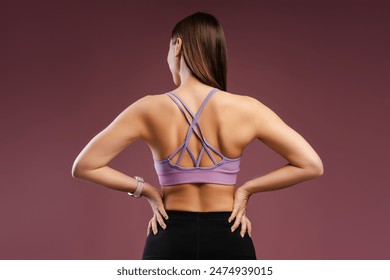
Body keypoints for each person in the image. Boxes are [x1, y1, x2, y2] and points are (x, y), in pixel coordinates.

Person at [71, 11, 323, 260]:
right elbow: (310, 165)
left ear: (177, 45)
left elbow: (84, 166)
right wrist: (246, 190)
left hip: (169, 236)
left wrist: (145, 189)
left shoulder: (148, 108)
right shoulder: (248, 108)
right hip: (230, 235)